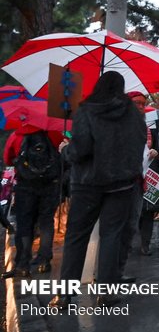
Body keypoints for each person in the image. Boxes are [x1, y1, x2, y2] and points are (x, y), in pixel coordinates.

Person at [48, 71, 146, 308]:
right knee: (112, 236)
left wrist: (65, 150)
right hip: (121, 185)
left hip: (87, 185)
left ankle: (64, 295)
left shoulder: (87, 109)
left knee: (76, 236)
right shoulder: (132, 113)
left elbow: (80, 149)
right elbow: (140, 142)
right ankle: (106, 294)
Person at [2, 130, 61, 278]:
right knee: (46, 222)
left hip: (25, 187)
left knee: (24, 224)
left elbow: (8, 160)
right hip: (49, 186)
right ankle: (44, 261)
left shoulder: (16, 136)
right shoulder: (53, 134)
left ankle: (23, 265)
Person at [118, 91, 158, 280]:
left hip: (137, 183)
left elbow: (141, 156)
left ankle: (119, 271)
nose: (141, 107)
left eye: (143, 103)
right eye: (136, 103)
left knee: (130, 228)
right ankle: (110, 273)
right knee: (118, 229)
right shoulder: (120, 124)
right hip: (120, 184)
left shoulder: (141, 127)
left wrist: (150, 155)